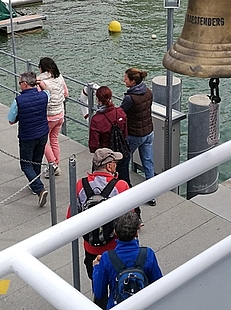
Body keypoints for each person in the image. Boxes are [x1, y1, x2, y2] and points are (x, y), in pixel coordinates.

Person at [67, 148, 131, 306]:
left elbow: (70, 217)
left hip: (91, 248)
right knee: (118, 287)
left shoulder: (80, 185)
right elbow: (130, 221)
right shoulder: (121, 186)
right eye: (115, 163)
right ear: (109, 166)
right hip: (115, 248)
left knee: (99, 288)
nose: (116, 166)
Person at [92, 210, 162, 309]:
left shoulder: (107, 258)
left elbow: (99, 292)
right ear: (137, 232)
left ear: (115, 232)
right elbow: (159, 286)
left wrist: (96, 267)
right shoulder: (148, 254)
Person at [7, 71, 50, 207]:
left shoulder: (18, 100)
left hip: (27, 136)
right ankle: (34, 184)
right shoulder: (44, 96)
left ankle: (39, 188)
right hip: (43, 133)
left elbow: (11, 120)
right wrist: (39, 83)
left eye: (20, 83)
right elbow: (48, 90)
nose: (19, 85)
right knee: (37, 160)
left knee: (25, 164)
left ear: (25, 84)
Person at [120, 68, 155, 205]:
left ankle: (126, 190)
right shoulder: (148, 92)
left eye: (126, 78)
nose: (124, 80)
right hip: (148, 131)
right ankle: (151, 195)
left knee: (124, 160)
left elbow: (121, 113)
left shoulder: (130, 98)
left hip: (134, 134)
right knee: (148, 162)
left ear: (133, 82)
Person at [89, 86, 130, 185]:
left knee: (99, 184)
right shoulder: (120, 112)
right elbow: (125, 133)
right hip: (122, 152)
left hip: (105, 157)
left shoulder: (96, 119)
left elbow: (93, 146)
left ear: (98, 100)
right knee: (124, 180)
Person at [38, 57, 69, 177]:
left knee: (43, 141)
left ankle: (52, 164)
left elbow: (39, 97)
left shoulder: (40, 81)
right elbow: (66, 93)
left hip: (48, 116)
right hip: (60, 114)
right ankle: (55, 163)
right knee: (54, 140)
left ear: (42, 68)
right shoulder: (59, 77)